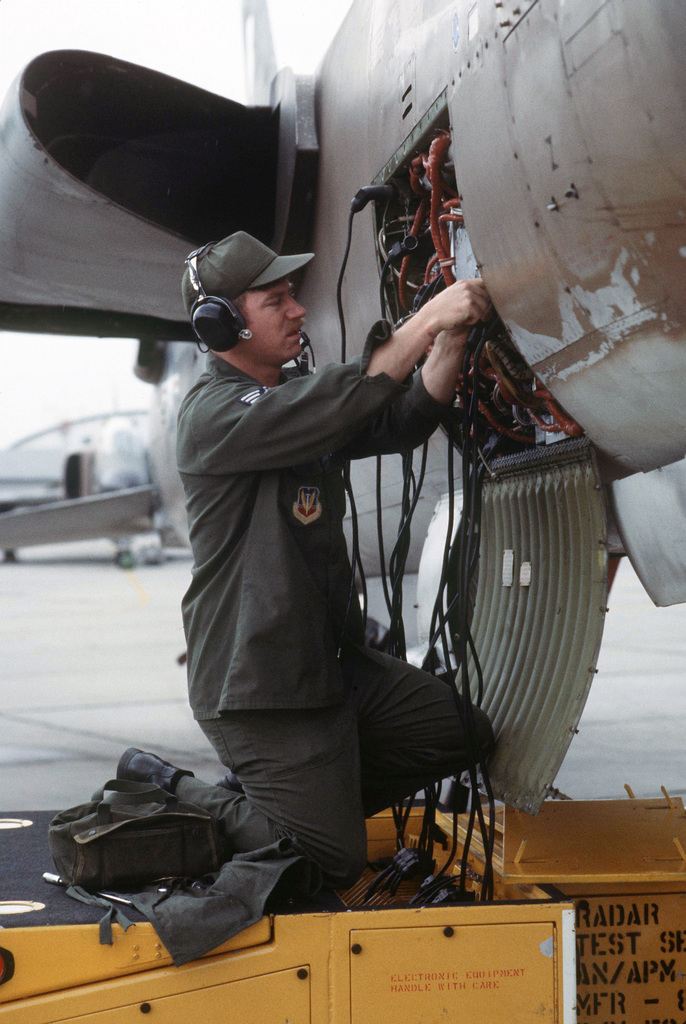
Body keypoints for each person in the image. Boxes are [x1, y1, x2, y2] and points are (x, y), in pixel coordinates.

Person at [118, 230, 495, 891]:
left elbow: (398, 420)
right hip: (263, 686)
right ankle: (184, 792)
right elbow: (347, 396)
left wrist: (452, 338)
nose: (296, 310)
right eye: (276, 300)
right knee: (330, 864)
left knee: (453, 731)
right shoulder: (216, 416)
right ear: (223, 322)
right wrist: (431, 314)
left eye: (292, 296)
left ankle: (298, 812)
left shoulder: (289, 402)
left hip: (327, 667)